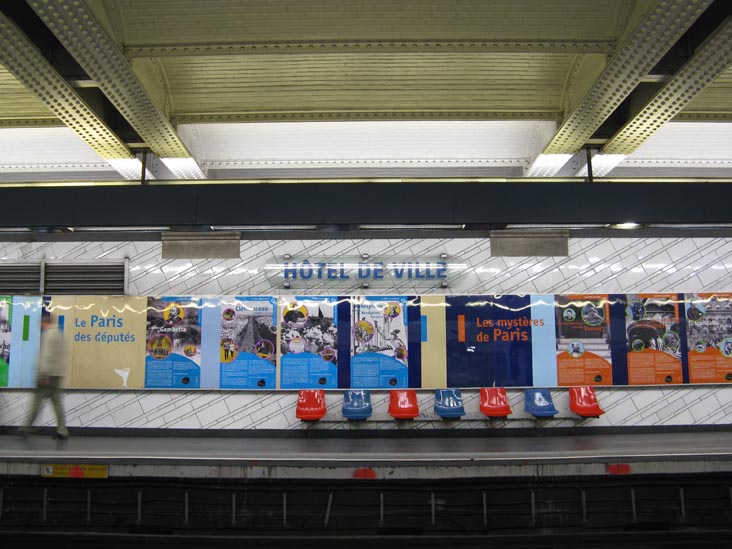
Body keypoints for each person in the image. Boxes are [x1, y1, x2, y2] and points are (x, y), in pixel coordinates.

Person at [20, 309, 69, 440]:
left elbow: (46, 356)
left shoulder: (49, 334)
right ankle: (62, 430)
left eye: (41, 323)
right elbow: (63, 356)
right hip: (56, 374)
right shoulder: (59, 334)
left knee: (37, 402)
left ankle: (26, 428)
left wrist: (43, 375)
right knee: (57, 403)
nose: (40, 326)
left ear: (45, 322)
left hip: (46, 375)